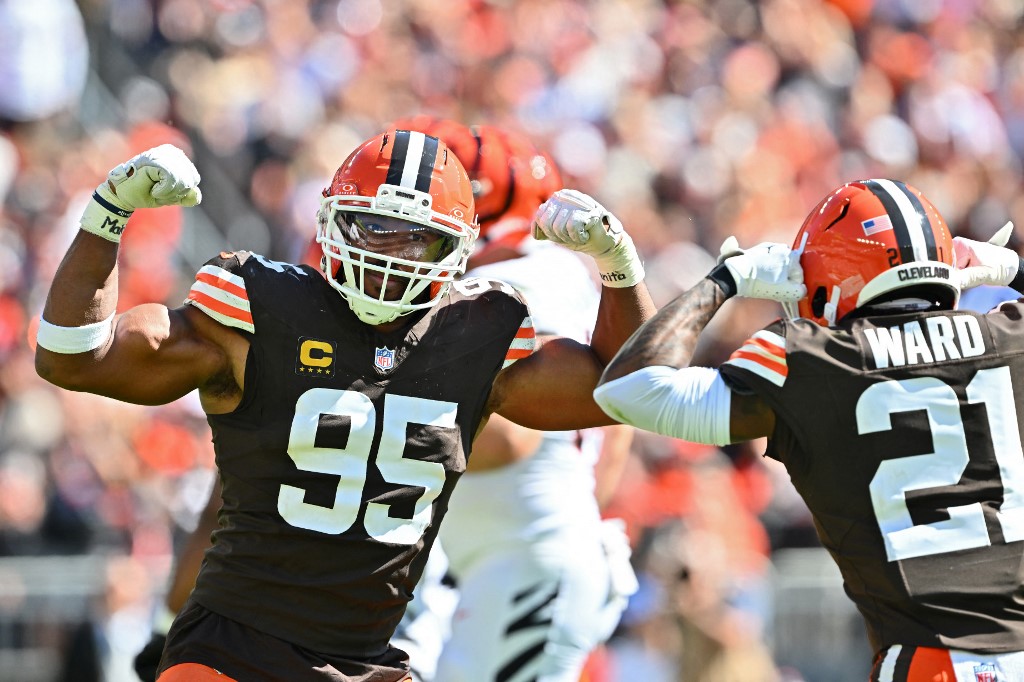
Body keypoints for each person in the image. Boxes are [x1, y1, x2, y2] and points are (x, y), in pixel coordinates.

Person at [34, 131, 655, 681]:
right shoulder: (261, 308)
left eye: (419, 241)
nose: (390, 258)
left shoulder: (475, 332)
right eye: (373, 228)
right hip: (234, 655)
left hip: (370, 660)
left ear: (461, 249)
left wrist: (621, 268)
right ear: (331, 219)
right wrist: (108, 215)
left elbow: (628, 390)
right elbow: (71, 355)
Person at [592, 178, 1024, 681]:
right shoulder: (1009, 336)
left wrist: (725, 281)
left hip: (930, 663)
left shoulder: (812, 360)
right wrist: (1014, 268)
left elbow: (629, 389)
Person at [392, 118, 639, 682]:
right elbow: (616, 424)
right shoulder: (552, 274)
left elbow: (511, 435)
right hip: (510, 556)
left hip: (521, 566)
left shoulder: (527, 276)